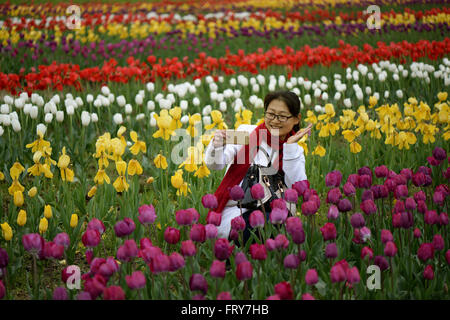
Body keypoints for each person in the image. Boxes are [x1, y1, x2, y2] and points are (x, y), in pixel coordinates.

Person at [204, 90, 312, 242]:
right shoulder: (247, 133)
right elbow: (215, 165)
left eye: (282, 116)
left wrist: (290, 148)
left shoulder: (295, 150)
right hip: (237, 210)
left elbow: (298, 187)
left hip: (276, 211)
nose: (275, 120)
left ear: (296, 119)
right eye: (270, 114)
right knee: (265, 226)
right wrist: (217, 146)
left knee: (278, 226)